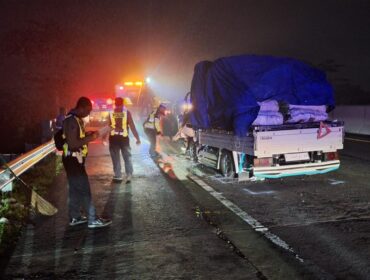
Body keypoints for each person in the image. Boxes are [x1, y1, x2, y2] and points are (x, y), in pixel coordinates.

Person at [62, 96, 111, 228]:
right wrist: (91, 138)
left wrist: (88, 133)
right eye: (88, 110)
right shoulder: (72, 120)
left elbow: (76, 137)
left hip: (72, 160)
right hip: (73, 160)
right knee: (84, 190)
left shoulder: (75, 119)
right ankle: (92, 219)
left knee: (75, 190)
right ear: (81, 108)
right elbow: (73, 144)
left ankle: (74, 217)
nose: (89, 113)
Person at [108, 97, 141, 182]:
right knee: (127, 156)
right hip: (124, 138)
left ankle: (118, 175)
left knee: (115, 157)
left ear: (115, 103)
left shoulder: (111, 113)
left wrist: (103, 137)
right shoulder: (127, 113)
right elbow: (132, 126)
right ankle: (129, 174)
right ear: (122, 104)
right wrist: (137, 138)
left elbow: (108, 126)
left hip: (113, 138)